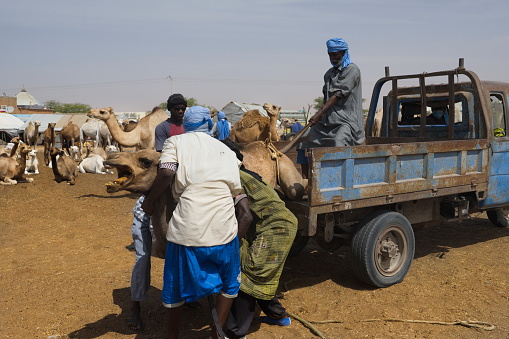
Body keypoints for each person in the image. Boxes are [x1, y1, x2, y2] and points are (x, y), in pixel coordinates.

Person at [142, 106, 242, 339]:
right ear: (209, 125)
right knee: (229, 283)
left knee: (175, 288)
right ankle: (217, 333)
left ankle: (172, 336)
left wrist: (149, 201)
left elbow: (166, 173)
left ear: (185, 124)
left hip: (188, 230)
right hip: (224, 228)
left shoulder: (175, 143)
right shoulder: (226, 150)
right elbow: (234, 188)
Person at [221, 139, 298, 339]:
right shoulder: (246, 173)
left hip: (275, 227)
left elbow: (245, 215)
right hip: (273, 225)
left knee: (250, 276)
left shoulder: (234, 177)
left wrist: (232, 243)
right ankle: (278, 315)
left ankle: (237, 332)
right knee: (260, 273)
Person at [127, 94, 187, 332]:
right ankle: (135, 308)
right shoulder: (163, 128)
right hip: (165, 180)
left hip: (185, 188)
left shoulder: (191, 127)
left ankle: (188, 297)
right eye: (177, 108)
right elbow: (164, 163)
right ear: (171, 110)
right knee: (143, 258)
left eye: (183, 108)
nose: (181, 112)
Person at [297, 38, 364, 177]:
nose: (333, 58)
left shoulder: (352, 70)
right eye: (330, 55)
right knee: (303, 139)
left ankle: (337, 179)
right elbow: (326, 99)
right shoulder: (329, 74)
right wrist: (319, 115)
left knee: (337, 142)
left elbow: (337, 95)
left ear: (344, 53)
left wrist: (319, 113)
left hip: (346, 122)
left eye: (336, 54)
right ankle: (306, 179)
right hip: (327, 121)